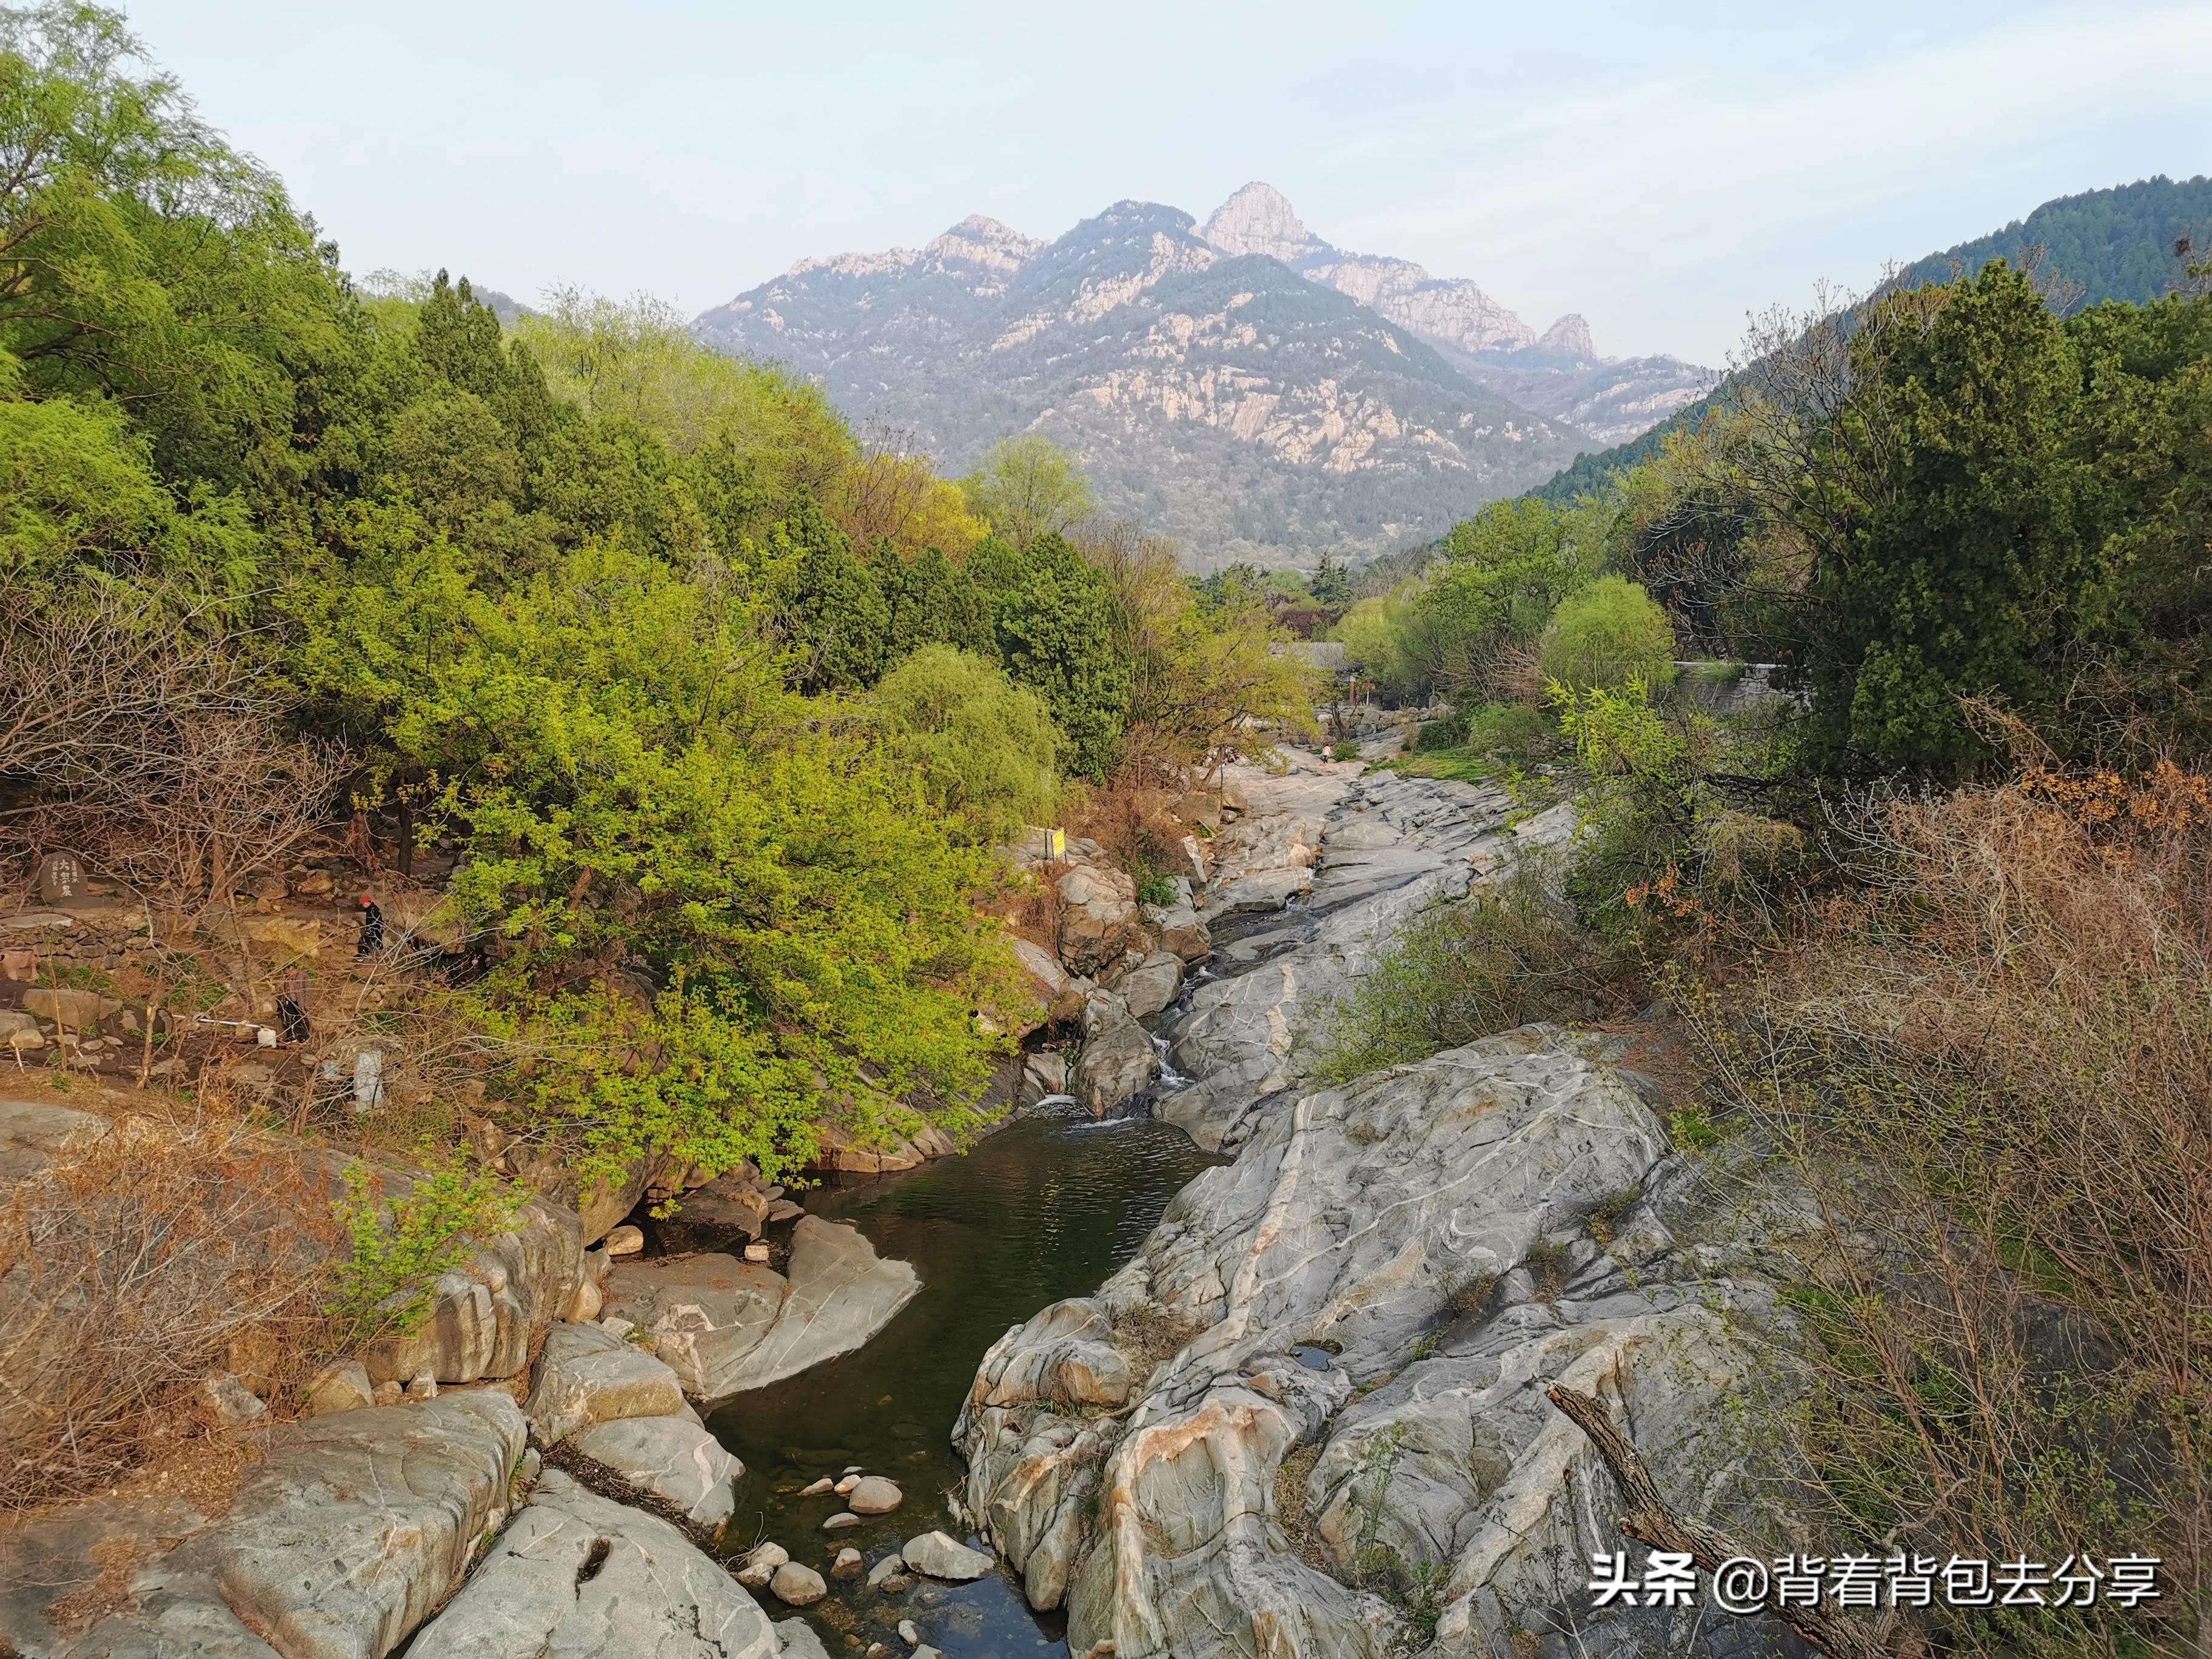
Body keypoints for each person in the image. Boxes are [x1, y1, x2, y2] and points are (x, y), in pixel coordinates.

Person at [276, 967, 311, 1044]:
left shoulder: (304, 976)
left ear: (294, 970)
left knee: (302, 1019)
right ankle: (291, 1037)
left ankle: (304, 1037)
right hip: (290, 1001)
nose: (287, 975)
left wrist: (307, 1003)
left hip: (301, 1002)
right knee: (289, 1019)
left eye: (288, 973)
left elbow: (308, 991)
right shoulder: (287, 978)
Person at [354, 894, 384, 959]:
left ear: (367, 902)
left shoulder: (373, 910)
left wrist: (370, 930)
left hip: (374, 930)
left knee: (363, 941)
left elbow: (374, 921)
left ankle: (363, 955)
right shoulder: (372, 909)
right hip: (375, 930)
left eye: (363, 904)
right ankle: (374, 954)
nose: (363, 905)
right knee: (375, 942)